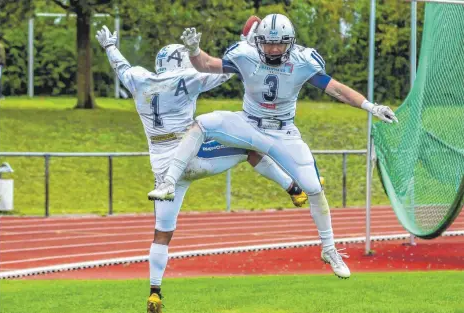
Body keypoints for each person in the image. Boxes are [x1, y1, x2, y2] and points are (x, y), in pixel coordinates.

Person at [150, 14, 398, 280]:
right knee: (202, 124)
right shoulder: (246, 55)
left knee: (314, 188)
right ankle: (169, 181)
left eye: (279, 44)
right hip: (248, 123)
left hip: (283, 132)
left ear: (290, 43)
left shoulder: (303, 61)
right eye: (268, 44)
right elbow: (208, 65)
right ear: (259, 41)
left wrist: (370, 106)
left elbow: (336, 89)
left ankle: (329, 249)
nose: (273, 49)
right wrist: (195, 51)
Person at [95, 25, 309, 313]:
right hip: (193, 154)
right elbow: (224, 71)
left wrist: (109, 46)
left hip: (162, 167)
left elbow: (122, 66)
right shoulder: (187, 78)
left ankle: (155, 290)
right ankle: (293, 188)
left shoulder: (139, 80)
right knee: (249, 147)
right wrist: (245, 43)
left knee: (162, 234)